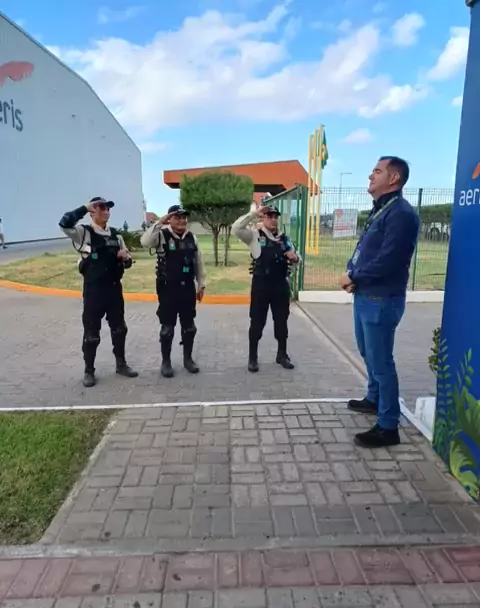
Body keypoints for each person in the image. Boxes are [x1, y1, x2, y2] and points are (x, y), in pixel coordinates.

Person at [339, 156, 420, 448]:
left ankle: (388, 426)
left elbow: (389, 260)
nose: (370, 176)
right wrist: (353, 273)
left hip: (381, 299)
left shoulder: (401, 214)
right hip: (365, 295)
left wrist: (354, 276)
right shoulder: (381, 209)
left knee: (381, 361)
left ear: (394, 178)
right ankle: (374, 399)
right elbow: (364, 250)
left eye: (377, 171)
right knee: (368, 352)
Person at [59, 197, 138, 387]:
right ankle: (89, 371)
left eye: (108, 208)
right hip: (94, 289)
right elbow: (64, 223)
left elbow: (128, 261)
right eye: (102, 208)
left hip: (113, 288)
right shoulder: (83, 233)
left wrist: (125, 258)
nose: (106, 211)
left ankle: (121, 364)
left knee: (119, 329)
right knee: (91, 333)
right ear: (93, 212)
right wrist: (84, 208)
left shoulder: (116, 236)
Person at [232, 204, 301, 372]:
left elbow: (297, 258)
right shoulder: (254, 236)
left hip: (280, 286)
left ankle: (282, 355)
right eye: (269, 216)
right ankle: (253, 357)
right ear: (263, 218)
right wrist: (254, 213)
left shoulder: (284, 239)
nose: (273, 219)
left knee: (281, 322)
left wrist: (295, 258)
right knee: (257, 322)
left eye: (275, 216)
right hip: (261, 286)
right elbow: (236, 228)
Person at [140, 204, 206, 378]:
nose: (182, 221)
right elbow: (144, 241)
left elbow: (198, 262)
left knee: (189, 327)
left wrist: (201, 283)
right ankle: (166, 362)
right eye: (177, 217)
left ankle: (188, 359)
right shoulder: (161, 235)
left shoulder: (192, 237)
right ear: (170, 219)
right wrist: (161, 221)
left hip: (187, 287)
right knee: (167, 328)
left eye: (184, 217)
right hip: (168, 288)